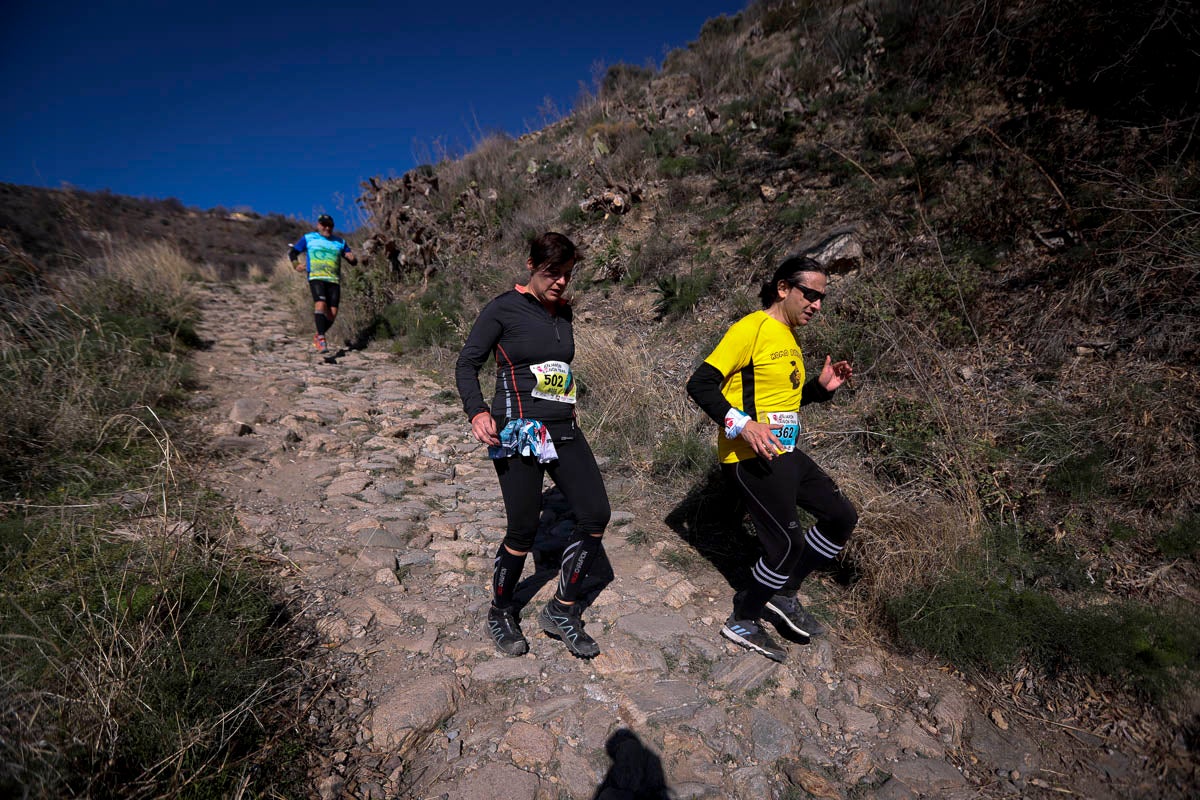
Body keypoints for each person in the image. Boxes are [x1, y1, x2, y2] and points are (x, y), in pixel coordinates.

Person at [685, 255, 857, 662]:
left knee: (841, 518)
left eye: (821, 298)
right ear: (784, 289)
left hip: (786, 450)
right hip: (750, 455)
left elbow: (783, 400)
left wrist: (820, 388)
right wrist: (742, 425)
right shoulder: (752, 328)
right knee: (785, 544)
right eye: (809, 294)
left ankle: (783, 592)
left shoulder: (789, 338)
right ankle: (743, 618)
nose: (816, 304)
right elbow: (700, 384)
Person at [455, 232, 611, 658]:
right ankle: (501, 610)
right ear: (531, 266)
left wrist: (570, 403)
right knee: (523, 530)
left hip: (563, 429)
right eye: (552, 273)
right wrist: (477, 411)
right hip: (519, 432)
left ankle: (561, 610)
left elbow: (558, 368)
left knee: (596, 514)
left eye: (567, 274)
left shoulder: (564, 312)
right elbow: (468, 363)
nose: (560, 282)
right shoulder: (503, 308)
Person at [289, 214, 358, 354]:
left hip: (334, 280)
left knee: (332, 314)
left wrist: (352, 258)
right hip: (316, 277)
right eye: (324, 225)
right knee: (320, 304)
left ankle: (318, 334)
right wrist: (296, 265)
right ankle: (321, 338)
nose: (327, 228)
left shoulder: (340, 242)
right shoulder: (309, 238)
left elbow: (352, 260)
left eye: (330, 225)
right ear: (318, 225)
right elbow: (293, 252)